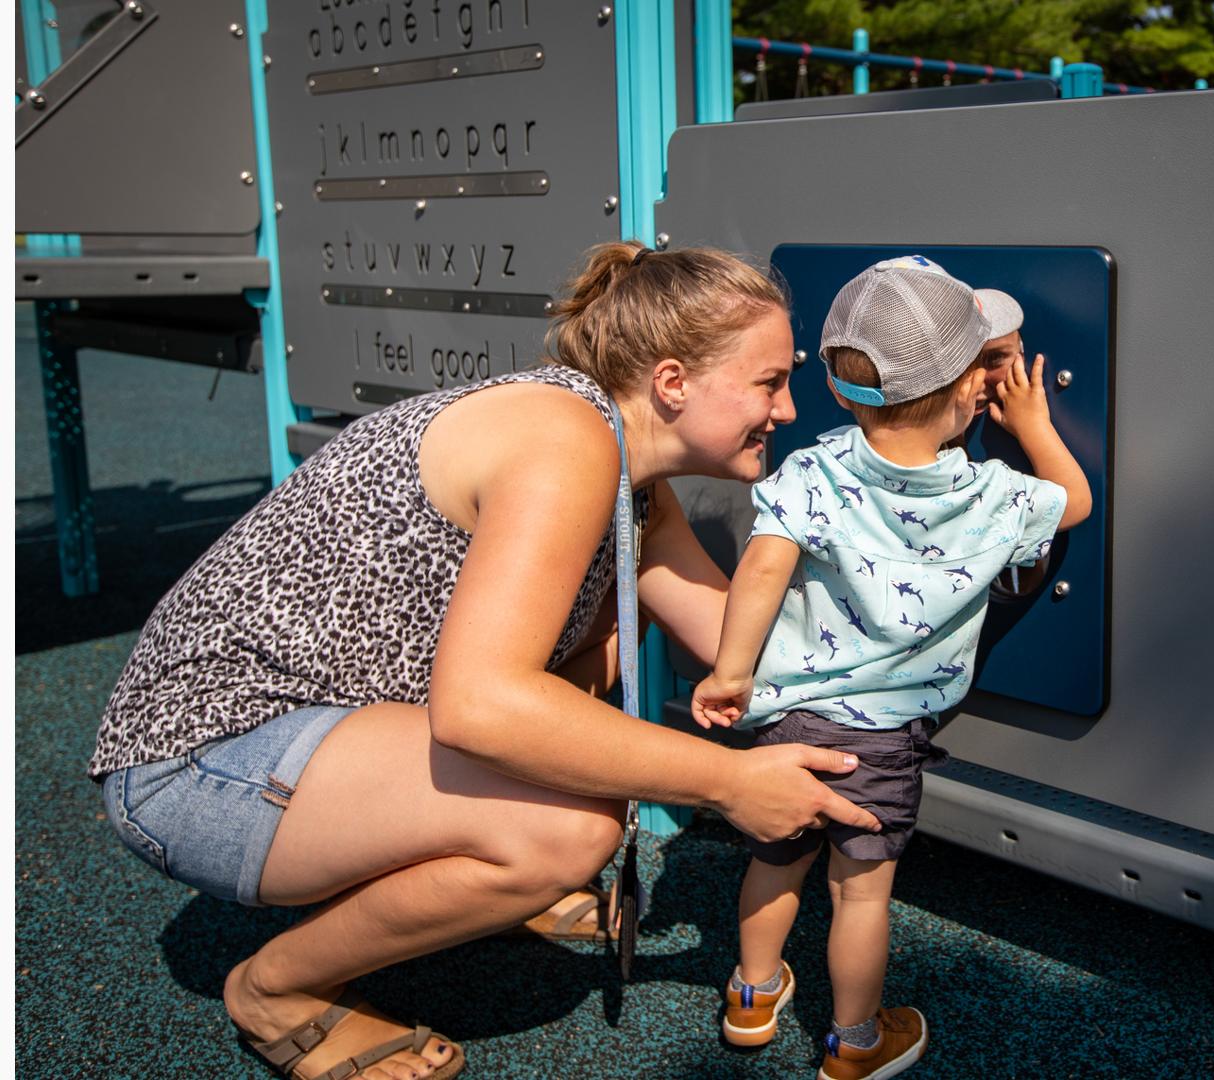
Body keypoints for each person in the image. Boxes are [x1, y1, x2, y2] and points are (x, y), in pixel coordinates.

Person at [90, 242, 887, 1080]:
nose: (789, 409)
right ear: (672, 382)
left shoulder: (632, 482)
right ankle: (274, 990)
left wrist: (917, 610)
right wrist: (728, 784)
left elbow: (743, 643)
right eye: (768, 381)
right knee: (568, 828)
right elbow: (482, 708)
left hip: (320, 732)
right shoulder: (564, 442)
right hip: (195, 764)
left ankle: (469, 866)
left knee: (606, 653)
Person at [689, 257, 1092, 1078]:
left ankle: (753, 995)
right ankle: (854, 1043)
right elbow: (1074, 501)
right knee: (860, 894)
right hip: (884, 744)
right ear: (968, 394)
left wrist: (732, 671)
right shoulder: (991, 494)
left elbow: (763, 571)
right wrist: (1034, 424)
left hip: (788, 721)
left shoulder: (813, 471)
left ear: (840, 391)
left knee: (776, 861)